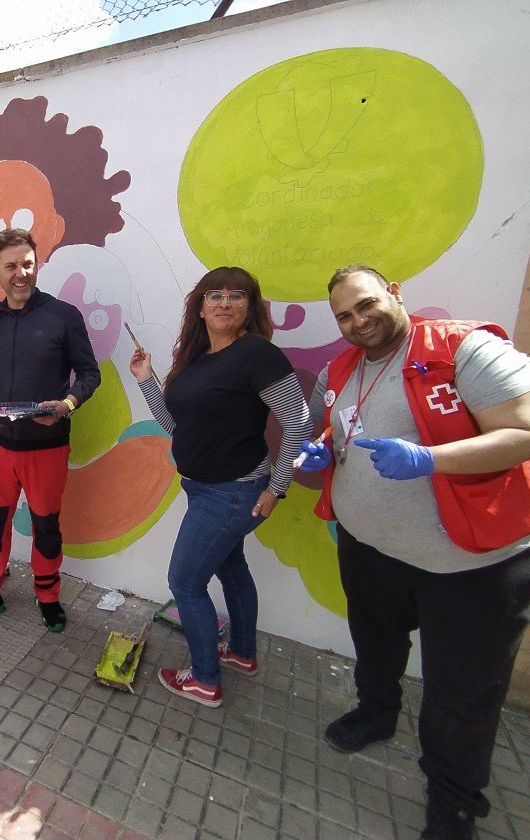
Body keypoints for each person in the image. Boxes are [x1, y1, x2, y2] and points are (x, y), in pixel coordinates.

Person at [297, 265, 530, 840]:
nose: (358, 321)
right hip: (370, 550)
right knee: (376, 645)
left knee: (461, 693)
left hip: (473, 567)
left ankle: (455, 801)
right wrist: (321, 450)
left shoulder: (469, 350)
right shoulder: (341, 369)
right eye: (344, 315)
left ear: (394, 294)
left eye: (366, 304)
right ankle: (376, 713)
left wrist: (430, 459)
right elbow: (339, 428)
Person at [129, 267, 309, 708]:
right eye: (214, 295)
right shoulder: (200, 360)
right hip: (204, 489)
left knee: (185, 583)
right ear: (201, 307)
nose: (224, 302)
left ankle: (205, 680)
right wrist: (147, 381)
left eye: (235, 295)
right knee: (231, 569)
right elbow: (179, 427)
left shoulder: (256, 354)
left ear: (250, 306)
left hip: (232, 492)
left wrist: (277, 488)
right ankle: (242, 654)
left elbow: (299, 422)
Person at [0, 228, 101, 633]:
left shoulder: (63, 316)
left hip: (48, 446)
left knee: (46, 527)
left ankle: (48, 595)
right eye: (11, 266)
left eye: (27, 264)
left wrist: (68, 404)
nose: (21, 273)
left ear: (37, 265)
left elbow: (89, 374)